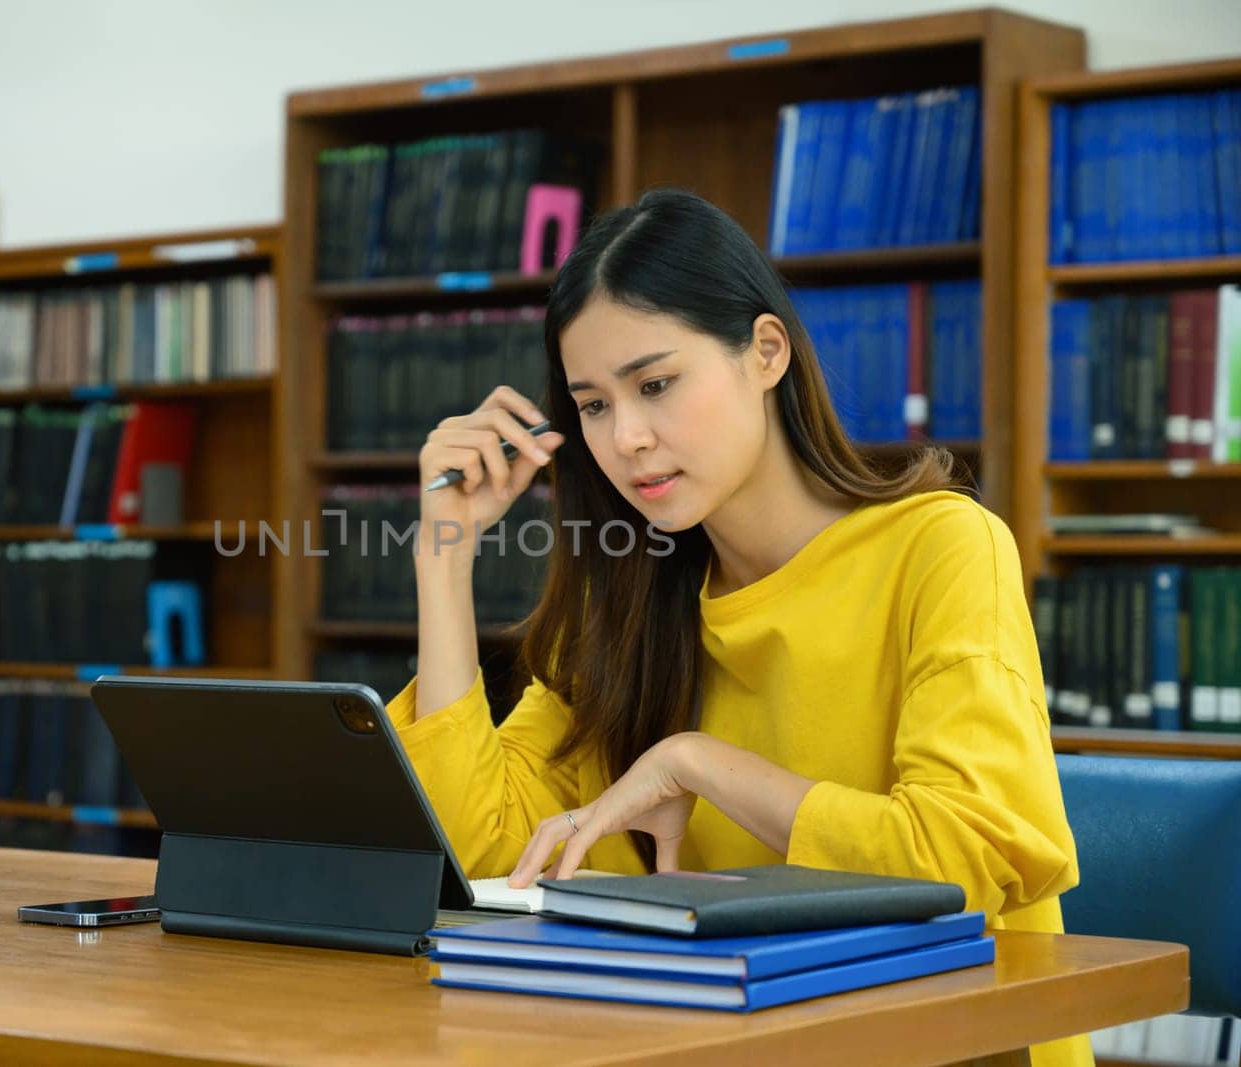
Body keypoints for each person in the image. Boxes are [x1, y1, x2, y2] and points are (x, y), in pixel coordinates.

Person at [383, 188, 1086, 1067]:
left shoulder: (942, 549)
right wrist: (443, 561)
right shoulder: (626, 603)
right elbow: (489, 855)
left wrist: (697, 762)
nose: (627, 436)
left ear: (765, 351)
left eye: (656, 383)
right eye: (593, 405)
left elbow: (966, 856)